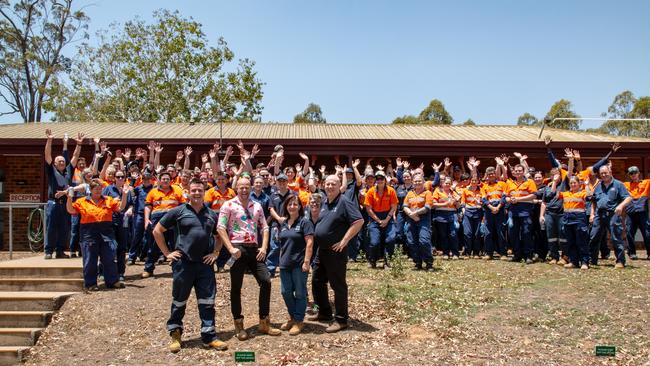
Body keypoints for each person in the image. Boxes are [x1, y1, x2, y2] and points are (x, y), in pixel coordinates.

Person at [152, 178, 228, 353]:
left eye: (199, 190)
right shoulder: (178, 211)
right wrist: (167, 253)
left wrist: (216, 253)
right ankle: (175, 334)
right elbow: (157, 230)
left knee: (207, 301)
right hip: (183, 264)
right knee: (179, 300)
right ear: (188, 192)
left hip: (204, 265)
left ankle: (209, 337)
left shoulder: (211, 214)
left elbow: (219, 236)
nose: (196, 193)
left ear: (204, 192)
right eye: (193, 190)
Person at [217, 177, 281, 340]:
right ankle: (239, 325)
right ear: (236, 188)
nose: (244, 190)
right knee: (236, 288)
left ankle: (264, 322)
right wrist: (230, 248)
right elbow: (221, 227)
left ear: (251, 188)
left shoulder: (257, 205)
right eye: (241, 187)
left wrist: (264, 247)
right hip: (237, 249)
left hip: (254, 249)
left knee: (266, 281)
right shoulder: (228, 205)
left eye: (247, 187)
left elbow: (265, 228)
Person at [307, 175, 363, 333]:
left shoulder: (344, 201)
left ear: (340, 186)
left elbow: (358, 221)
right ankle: (324, 312)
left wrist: (345, 240)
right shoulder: (324, 201)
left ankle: (341, 320)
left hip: (336, 252)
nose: (330, 186)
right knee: (317, 281)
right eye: (328, 184)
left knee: (338, 285)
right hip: (322, 250)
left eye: (333, 184)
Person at [65, 179, 129, 290]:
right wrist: (69, 197)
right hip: (89, 233)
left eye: (100, 189)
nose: (98, 191)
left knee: (109, 258)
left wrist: (124, 195)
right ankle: (90, 284)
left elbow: (120, 208)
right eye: (96, 189)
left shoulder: (108, 200)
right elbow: (71, 210)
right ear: (90, 189)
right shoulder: (82, 201)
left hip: (106, 233)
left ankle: (112, 281)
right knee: (90, 259)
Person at [277, 195, 314, 336]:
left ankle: (299, 320)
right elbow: (282, 244)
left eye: (295, 204)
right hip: (285, 264)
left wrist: (306, 261)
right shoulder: (284, 223)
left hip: (299, 264)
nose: (292, 206)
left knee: (299, 292)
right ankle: (293, 317)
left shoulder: (305, 222)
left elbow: (310, 243)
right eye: (290, 204)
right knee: (285, 292)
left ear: (299, 206)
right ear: (286, 206)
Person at [44, 129, 84, 259]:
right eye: (59, 161)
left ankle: (60, 251)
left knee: (64, 229)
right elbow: (47, 155)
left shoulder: (68, 171)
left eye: (62, 161)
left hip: (66, 205)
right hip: (53, 204)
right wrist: (50, 140)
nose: (62, 162)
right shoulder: (51, 170)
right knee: (51, 228)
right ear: (54, 164)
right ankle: (49, 251)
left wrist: (79, 144)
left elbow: (75, 157)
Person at [143, 172, 186, 278]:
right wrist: (146, 219)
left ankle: (177, 269)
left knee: (176, 246)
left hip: (173, 221)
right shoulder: (153, 192)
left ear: (171, 180)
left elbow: (183, 207)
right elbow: (148, 207)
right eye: (163, 179)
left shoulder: (177, 191)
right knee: (154, 246)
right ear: (159, 180)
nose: (165, 180)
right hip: (157, 221)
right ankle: (148, 269)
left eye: (167, 179)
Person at [590, 165, 632, 268]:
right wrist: (592, 213)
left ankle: (620, 261)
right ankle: (592, 260)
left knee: (616, 237)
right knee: (594, 236)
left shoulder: (618, 184)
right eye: (602, 173)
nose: (604, 175)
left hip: (613, 214)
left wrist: (620, 206)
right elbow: (594, 201)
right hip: (599, 215)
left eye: (605, 172)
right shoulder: (598, 185)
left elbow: (628, 198)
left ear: (610, 172)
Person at [551, 174, 592, 269]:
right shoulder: (565, 193)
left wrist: (586, 185)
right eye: (571, 183)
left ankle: (585, 262)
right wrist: (555, 182)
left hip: (579, 220)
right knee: (571, 242)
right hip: (567, 220)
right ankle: (574, 261)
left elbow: (590, 196)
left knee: (581, 241)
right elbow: (553, 193)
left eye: (575, 183)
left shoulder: (582, 193)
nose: (573, 185)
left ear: (578, 184)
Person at [364, 170, 398, 268]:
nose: (379, 181)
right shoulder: (370, 191)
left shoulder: (391, 190)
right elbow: (368, 209)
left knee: (390, 239)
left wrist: (387, 219)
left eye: (381, 178)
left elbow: (394, 206)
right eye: (377, 179)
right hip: (375, 218)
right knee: (374, 242)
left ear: (385, 180)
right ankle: (372, 260)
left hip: (388, 216)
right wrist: (379, 221)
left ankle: (387, 262)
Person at [204, 171, 236, 272]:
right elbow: (207, 207)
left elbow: (235, 207)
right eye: (219, 179)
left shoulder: (231, 192)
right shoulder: (210, 192)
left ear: (226, 180)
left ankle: (221, 265)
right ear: (215, 180)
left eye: (223, 179)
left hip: (228, 221)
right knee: (213, 242)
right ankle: (210, 264)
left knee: (225, 242)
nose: (221, 181)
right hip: (214, 220)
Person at [505, 164, 538, 263]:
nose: (518, 172)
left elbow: (533, 195)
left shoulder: (529, 182)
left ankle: (528, 256)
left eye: (520, 170)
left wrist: (518, 199)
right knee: (513, 234)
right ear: (513, 172)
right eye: (516, 171)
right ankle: (517, 255)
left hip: (525, 212)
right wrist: (510, 199)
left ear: (523, 172)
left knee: (526, 233)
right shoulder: (510, 183)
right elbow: (505, 196)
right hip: (513, 212)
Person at [402, 174, 434, 271]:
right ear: (412, 182)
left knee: (424, 241)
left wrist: (415, 213)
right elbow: (405, 206)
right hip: (411, 219)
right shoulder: (409, 193)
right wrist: (411, 215)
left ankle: (428, 262)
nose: (417, 183)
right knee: (412, 242)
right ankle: (418, 262)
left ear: (423, 182)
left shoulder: (428, 193)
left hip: (423, 219)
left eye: (419, 181)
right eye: (415, 181)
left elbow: (428, 207)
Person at [267, 173, 295, 276]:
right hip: (276, 224)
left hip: (290, 223)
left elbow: (296, 207)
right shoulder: (273, 195)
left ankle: (290, 267)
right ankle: (270, 269)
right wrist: (279, 219)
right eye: (280, 181)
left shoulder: (293, 194)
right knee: (274, 247)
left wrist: (287, 218)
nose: (282, 183)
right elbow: (271, 209)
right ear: (277, 183)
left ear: (287, 182)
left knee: (290, 246)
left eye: (284, 181)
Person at [623, 166, 650, 260]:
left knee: (647, 233)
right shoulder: (626, 185)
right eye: (631, 173)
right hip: (630, 213)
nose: (633, 175)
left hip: (643, 213)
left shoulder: (646, 182)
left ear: (638, 173)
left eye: (635, 172)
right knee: (629, 232)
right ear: (629, 175)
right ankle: (632, 253)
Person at [481, 166, 507, 260]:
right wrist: (492, 207)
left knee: (501, 232)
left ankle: (503, 253)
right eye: (489, 174)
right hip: (489, 211)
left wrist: (498, 207)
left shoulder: (502, 184)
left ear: (495, 174)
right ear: (487, 176)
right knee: (488, 233)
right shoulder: (484, 186)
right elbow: (483, 199)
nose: (491, 175)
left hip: (500, 210)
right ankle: (488, 253)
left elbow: (504, 197)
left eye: (492, 173)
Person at [432, 176, 461, 260]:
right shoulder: (437, 191)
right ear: (442, 183)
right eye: (446, 183)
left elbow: (458, 206)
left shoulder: (453, 192)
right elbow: (433, 204)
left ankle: (455, 253)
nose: (447, 184)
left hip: (452, 214)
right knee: (443, 235)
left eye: (449, 183)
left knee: (453, 234)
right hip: (441, 215)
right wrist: (445, 204)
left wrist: (456, 202)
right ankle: (446, 253)